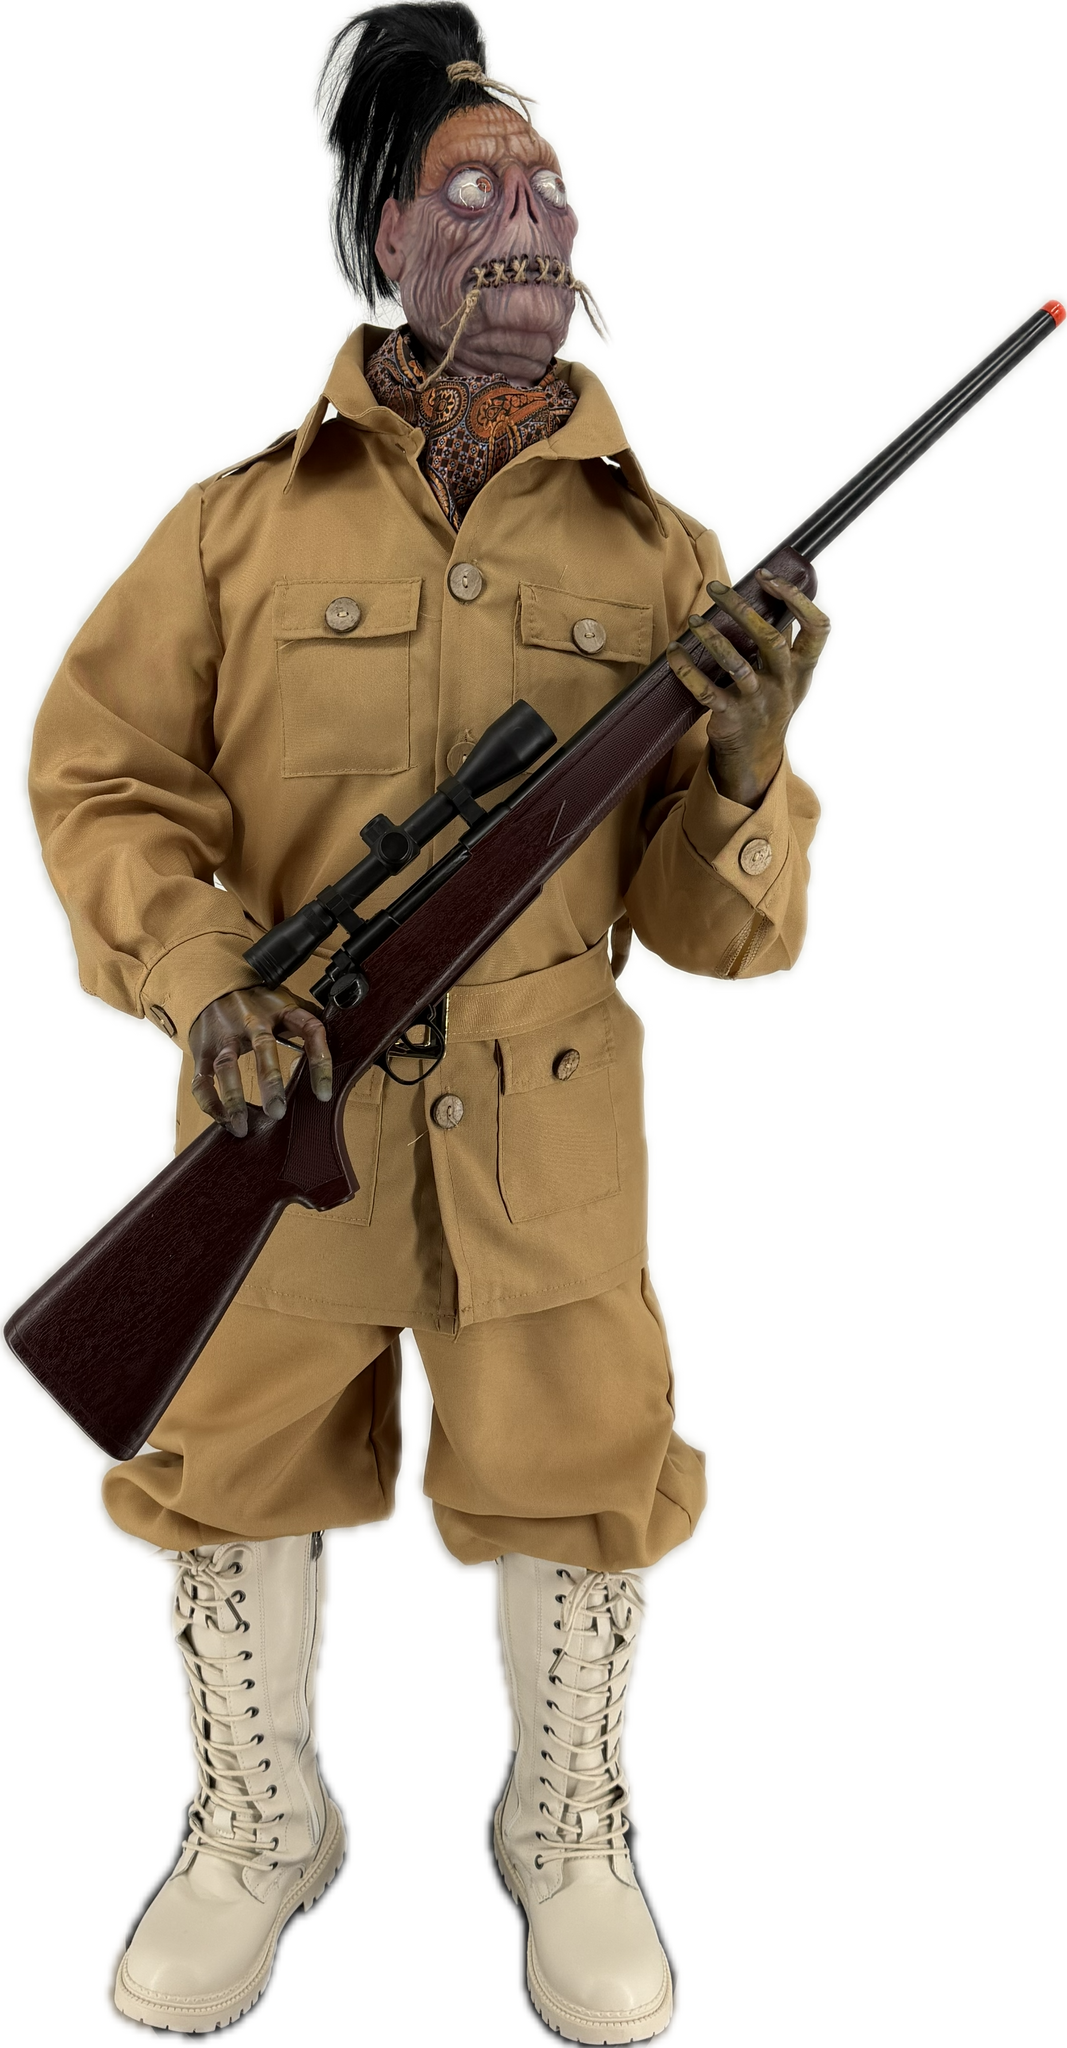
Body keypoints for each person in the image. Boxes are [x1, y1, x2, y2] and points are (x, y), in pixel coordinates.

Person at [24, 5, 830, 2040]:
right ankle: (255, 1821)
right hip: (280, 1102)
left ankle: (567, 1826)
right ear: (385, 235)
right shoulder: (236, 524)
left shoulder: (665, 556)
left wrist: (743, 774)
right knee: (231, 1463)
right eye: (473, 187)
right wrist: (204, 979)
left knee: (581, 1469)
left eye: (545, 184)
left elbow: (713, 937)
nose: (525, 217)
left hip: (546, 1146)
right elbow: (97, 774)